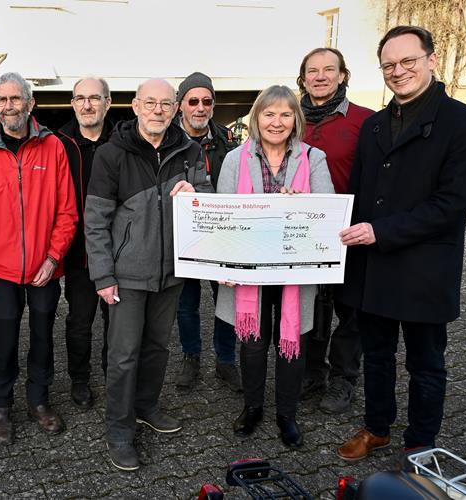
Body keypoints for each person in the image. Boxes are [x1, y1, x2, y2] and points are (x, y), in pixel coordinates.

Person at [337, 26, 466, 461]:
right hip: (373, 267)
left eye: (408, 61)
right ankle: (377, 428)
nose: (398, 71)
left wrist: (381, 231)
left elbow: (452, 204)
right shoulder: (372, 126)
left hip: (424, 268)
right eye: (389, 65)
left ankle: (422, 443)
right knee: (378, 356)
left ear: (431, 59)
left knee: (426, 363)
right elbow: (358, 195)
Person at [85, 78, 211, 471]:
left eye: (165, 104)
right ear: (136, 106)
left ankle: (145, 406)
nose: (158, 110)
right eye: (150, 103)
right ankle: (119, 430)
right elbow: (95, 219)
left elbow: (208, 205)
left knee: (158, 348)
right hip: (127, 275)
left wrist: (197, 194)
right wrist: (103, 276)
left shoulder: (189, 151)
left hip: (172, 272)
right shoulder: (111, 154)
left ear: (175, 109)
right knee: (123, 356)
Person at [215, 85, 334, 449]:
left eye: (285, 114)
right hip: (250, 269)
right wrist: (224, 261)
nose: (276, 122)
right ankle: (252, 407)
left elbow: (327, 210)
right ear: (257, 118)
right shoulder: (236, 159)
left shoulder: (313, 158)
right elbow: (222, 215)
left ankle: (286, 415)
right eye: (269, 114)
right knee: (252, 343)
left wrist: (306, 203)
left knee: (291, 343)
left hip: (294, 270)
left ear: (296, 120)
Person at [0, 72, 77, 446]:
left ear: (30, 103)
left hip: (45, 267)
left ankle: (39, 400)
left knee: (44, 335)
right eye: (2, 100)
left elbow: (67, 211)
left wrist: (53, 256)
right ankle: (0, 407)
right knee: (3, 337)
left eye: (16, 99)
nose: (9, 106)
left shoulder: (53, 147)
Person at [296, 48, 374, 413]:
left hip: (349, 234)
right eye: (313, 71)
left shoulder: (366, 121)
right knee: (312, 306)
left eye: (330, 69)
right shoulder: (289, 119)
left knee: (349, 310)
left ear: (343, 75)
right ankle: (313, 374)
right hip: (302, 236)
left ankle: (344, 379)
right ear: (303, 78)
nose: (321, 76)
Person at [173, 71, 241, 392]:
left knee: (225, 299)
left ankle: (226, 360)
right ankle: (191, 357)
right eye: (193, 101)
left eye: (207, 101)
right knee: (186, 303)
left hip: (222, 237)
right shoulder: (167, 141)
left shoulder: (227, 141)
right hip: (183, 239)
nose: (200, 107)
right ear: (180, 105)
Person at [57, 76, 114, 409]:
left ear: (108, 103)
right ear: (73, 103)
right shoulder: (60, 142)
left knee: (115, 320)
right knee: (79, 321)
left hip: (115, 250)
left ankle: (112, 375)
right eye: (81, 98)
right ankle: (79, 378)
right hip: (78, 252)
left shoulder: (123, 139)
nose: (88, 104)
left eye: (95, 98)